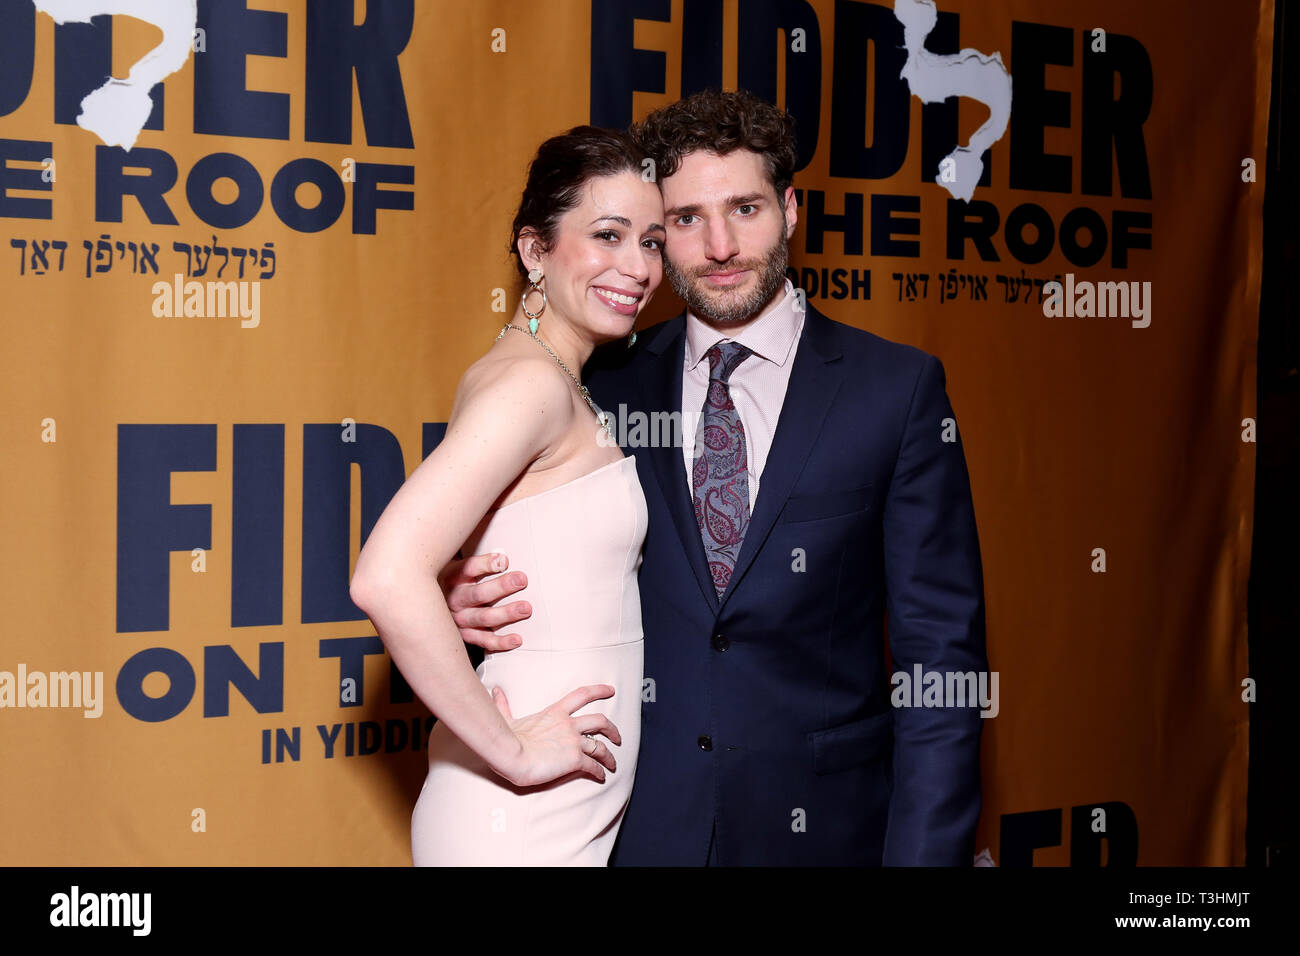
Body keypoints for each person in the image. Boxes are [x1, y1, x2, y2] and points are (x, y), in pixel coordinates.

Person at [447, 89, 988, 866]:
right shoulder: (600, 383)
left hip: (828, 834)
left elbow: (944, 664)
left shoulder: (893, 392)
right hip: (628, 825)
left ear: (791, 209)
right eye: (687, 219)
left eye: (746, 208)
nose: (721, 245)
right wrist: (464, 599)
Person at [349, 126, 665, 865]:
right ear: (534, 250)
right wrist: (514, 754)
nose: (637, 266)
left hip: (563, 803)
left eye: (651, 241)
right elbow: (386, 576)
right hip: (517, 814)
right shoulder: (528, 385)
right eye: (608, 235)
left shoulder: (549, 376)